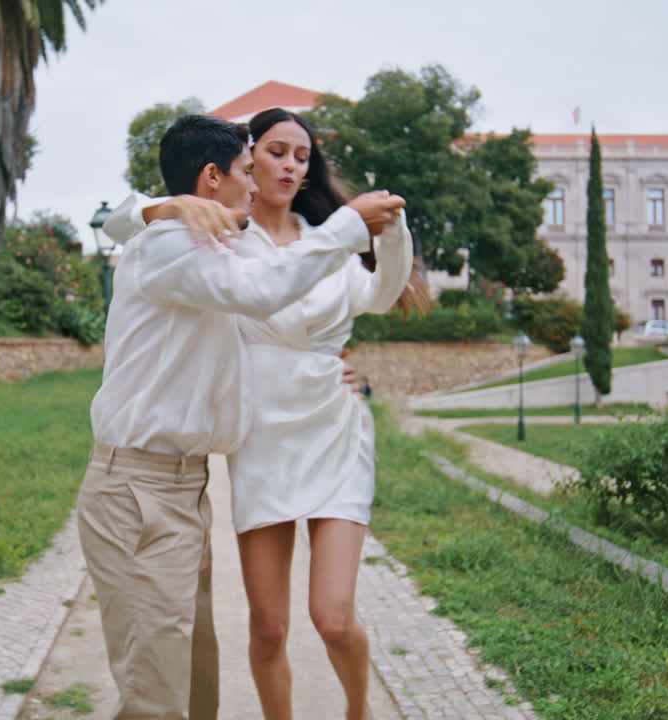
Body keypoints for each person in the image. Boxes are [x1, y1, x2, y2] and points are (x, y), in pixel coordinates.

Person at [78, 113, 405, 720]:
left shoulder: (204, 240)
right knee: (157, 696)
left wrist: (334, 368)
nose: (258, 182)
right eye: (247, 169)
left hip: (182, 487)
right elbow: (260, 290)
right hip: (142, 489)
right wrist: (343, 229)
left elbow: (288, 305)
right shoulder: (177, 247)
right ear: (213, 177)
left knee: (195, 680)